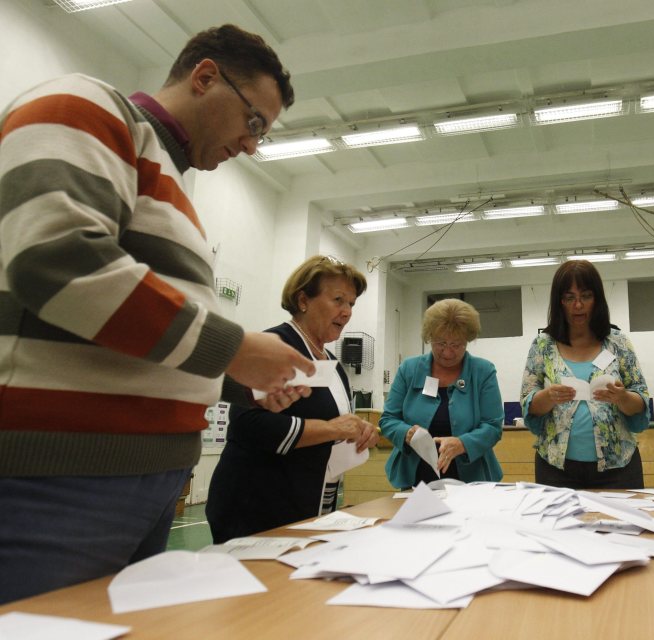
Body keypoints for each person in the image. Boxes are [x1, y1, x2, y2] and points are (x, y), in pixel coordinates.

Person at [0, 25, 316, 604]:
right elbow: (57, 261)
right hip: (58, 480)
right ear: (204, 77)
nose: (251, 146)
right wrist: (238, 350)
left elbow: (130, 341)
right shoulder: (85, 104)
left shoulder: (171, 190)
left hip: (145, 484)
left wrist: (237, 384)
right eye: (253, 123)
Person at [205, 256, 379, 543]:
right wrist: (335, 429)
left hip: (310, 504)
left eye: (351, 304)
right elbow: (248, 423)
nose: (346, 312)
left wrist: (358, 431)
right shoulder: (276, 347)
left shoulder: (332, 364)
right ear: (303, 301)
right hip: (258, 508)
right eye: (338, 300)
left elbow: (335, 424)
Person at [520, 260, 650, 489]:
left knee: (619, 526)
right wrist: (548, 396)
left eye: (586, 296)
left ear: (597, 299)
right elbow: (528, 404)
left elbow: (640, 401)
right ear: (559, 302)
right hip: (556, 469)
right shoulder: (542, 345)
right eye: (569, 298)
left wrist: (622, 397)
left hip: (618, 467)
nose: (578, 305)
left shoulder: (618, 343)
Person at [380, 299, 504, 488]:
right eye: (440, 343)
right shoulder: (409, 369)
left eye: (456, 345)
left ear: (468, 340)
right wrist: (406, 433)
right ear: (429, 337)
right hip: (415, 477)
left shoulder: (483, 371)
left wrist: (462, 444)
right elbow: (388, 419)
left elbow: (493, 426)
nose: (447, 352)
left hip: (472, 478)